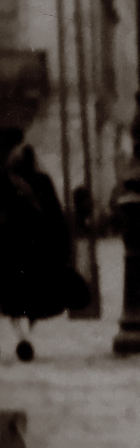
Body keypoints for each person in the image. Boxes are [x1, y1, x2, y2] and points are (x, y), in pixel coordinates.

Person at [0, 130, 89, 361]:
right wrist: (63, 248)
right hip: (39, 251)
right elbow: (56, 217)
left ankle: (22, 338)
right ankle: (27, 337)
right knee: (36, 298)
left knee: (12, 299)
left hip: (12, 250)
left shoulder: (5, 182)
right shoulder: (42, 181)